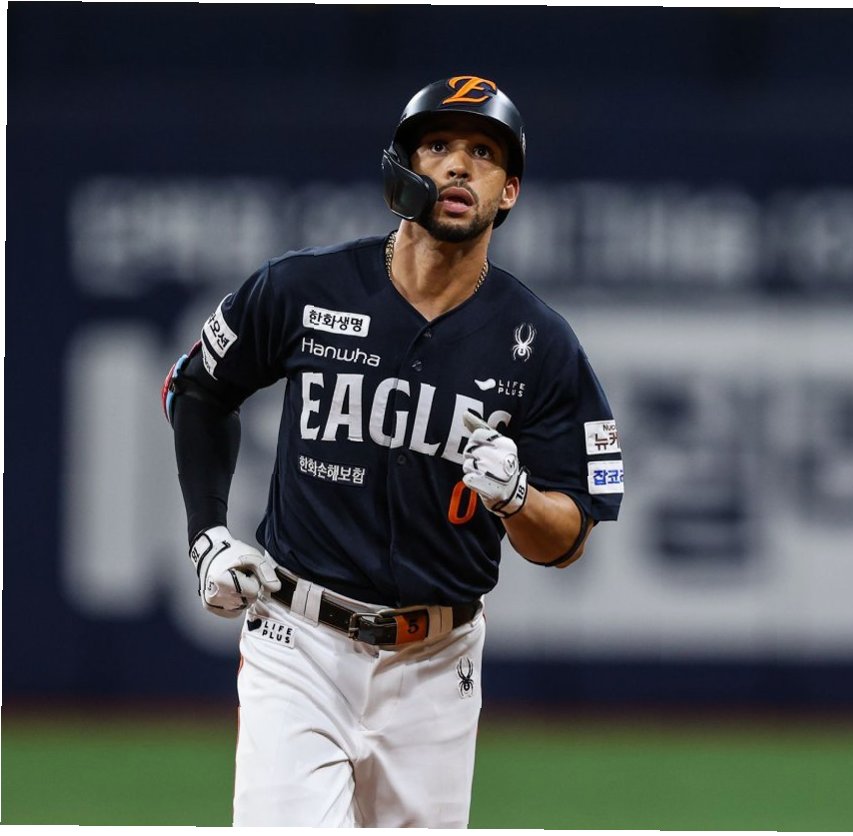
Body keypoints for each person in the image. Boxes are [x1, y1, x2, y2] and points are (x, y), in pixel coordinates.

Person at [161, 74, 624, 827]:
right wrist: (206, 535)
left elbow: (570, 536)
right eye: (437, 145)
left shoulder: (540, 344)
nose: (459, 164)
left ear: (508, 192)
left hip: (436, 665)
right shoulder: (304, 288)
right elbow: (198, 390)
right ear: (401, 171)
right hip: (298, 641)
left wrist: (516, 499)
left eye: (484, 153)